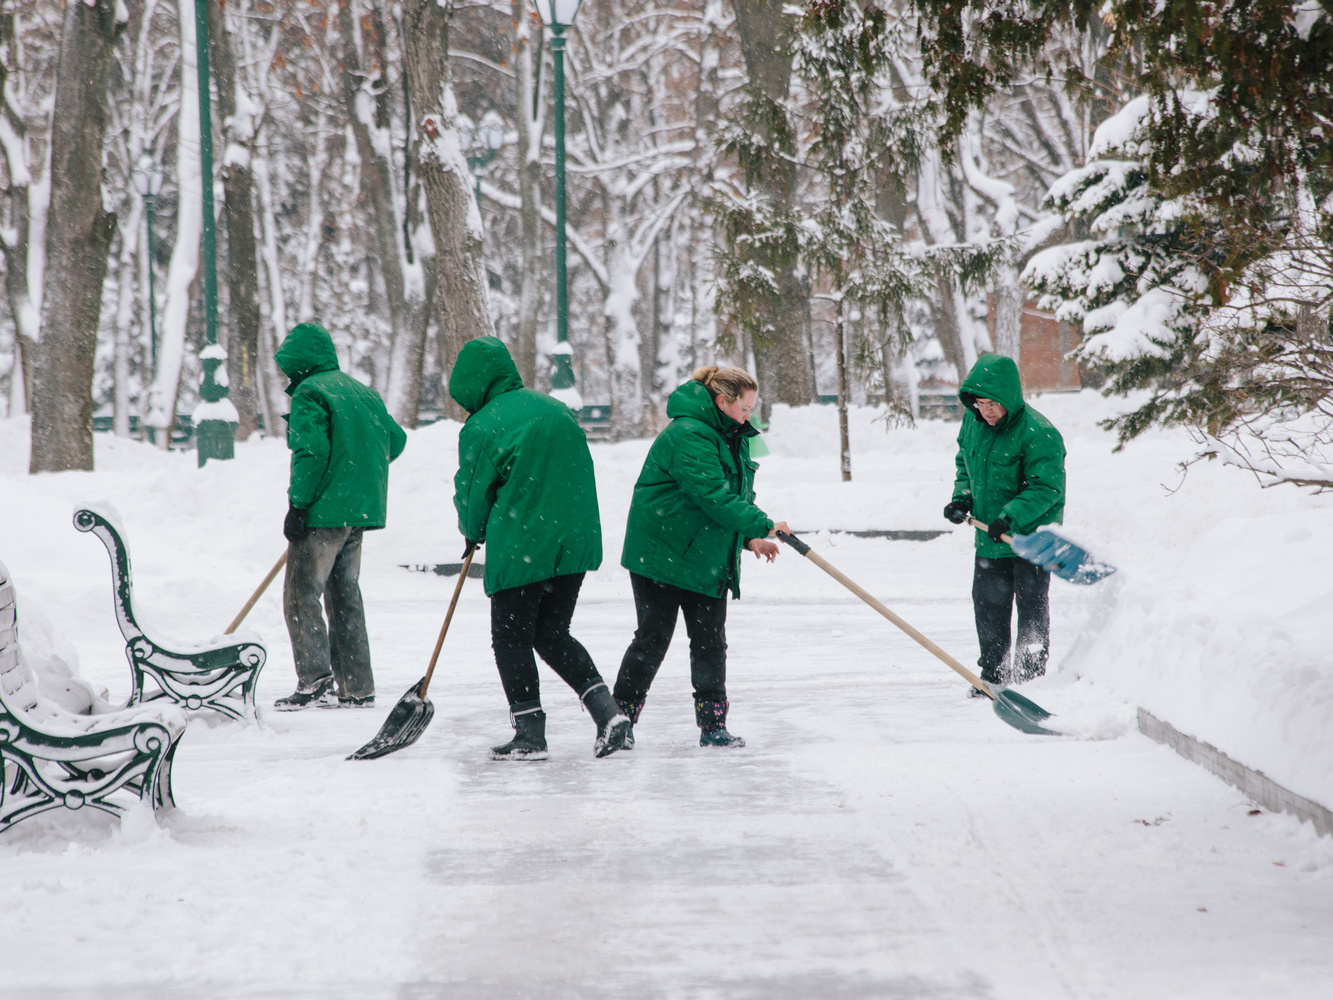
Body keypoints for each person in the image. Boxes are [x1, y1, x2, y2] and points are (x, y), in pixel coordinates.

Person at [450, 336, 629, 760]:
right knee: (551, 633)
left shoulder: (483, 425)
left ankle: (530, 734)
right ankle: (608, 714)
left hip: (524, 544)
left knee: (509, 638)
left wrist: (471, 530)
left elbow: (474, 490)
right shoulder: (555, 409)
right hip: (572, 543)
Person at [613, 365, 790, 748]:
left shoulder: (733, 434)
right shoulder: (688, 434)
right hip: (661, 553)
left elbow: (734, 496)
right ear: (722, 400)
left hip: (705, 554)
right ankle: (618, 720)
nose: (749, 416)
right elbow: (712, 495)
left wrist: (748, 537)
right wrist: (762, 524)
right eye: (745, 408)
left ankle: (713, 726)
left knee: (710, 641)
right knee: (652, 639)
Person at [273, 322, 407, 711]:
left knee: (301, 595)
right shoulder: (362, 392)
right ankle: (357, 686)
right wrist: (357, 471)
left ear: (300, 361)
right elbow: (394, 440)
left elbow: (310, 452)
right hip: (358, 512)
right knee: (345, 594)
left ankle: (315, 683)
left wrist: (299, 505)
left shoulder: (311, 392)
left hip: (323, 512)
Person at [942, 353, 1065, 693]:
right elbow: (964, 465)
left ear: (1009, 397)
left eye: (993, 403)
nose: (987, 411)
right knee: (988, 605)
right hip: (989, 538)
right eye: (980, 403)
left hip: (1030, 539)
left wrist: (1009, 516)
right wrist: (962, 498)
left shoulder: (1039, 433)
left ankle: (1030, 679)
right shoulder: (974, 424)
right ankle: (993, 675)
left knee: (1031, 608)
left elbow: (1047, 488)